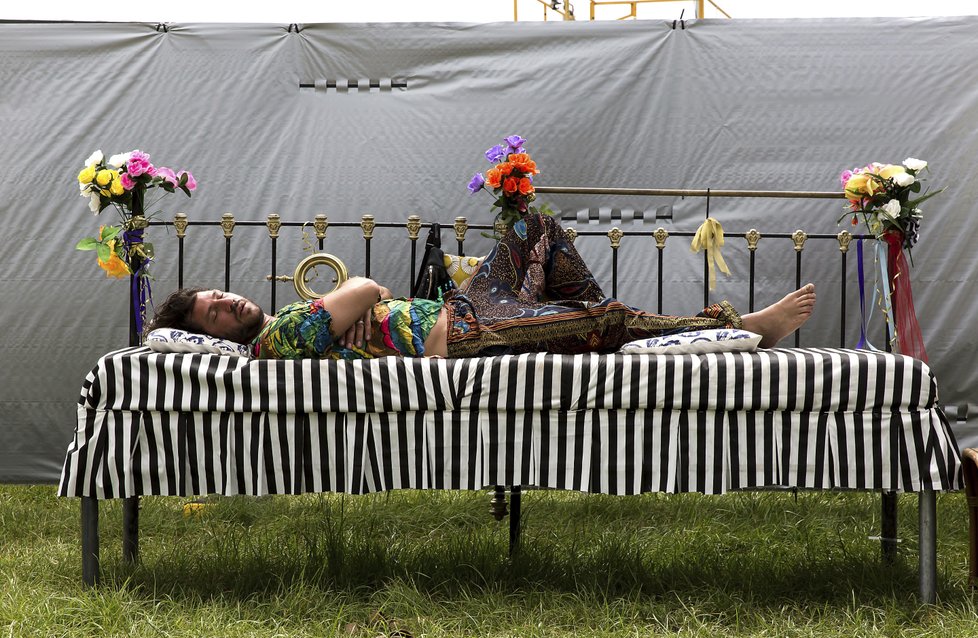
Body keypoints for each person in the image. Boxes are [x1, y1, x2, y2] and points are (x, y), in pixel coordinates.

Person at [147, 212, 816, 359]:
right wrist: (359, 299)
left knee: (534, 227)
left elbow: (364, 301)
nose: (227, 301)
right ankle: (740, 325)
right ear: (212, 337)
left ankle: (591, 326)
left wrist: (360, 306)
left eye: (217, 294)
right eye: (213, 314)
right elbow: (370, 285)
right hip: (465, 336)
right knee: (602, 318)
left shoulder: (290, 322)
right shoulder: (277, 342)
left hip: (462, 308)